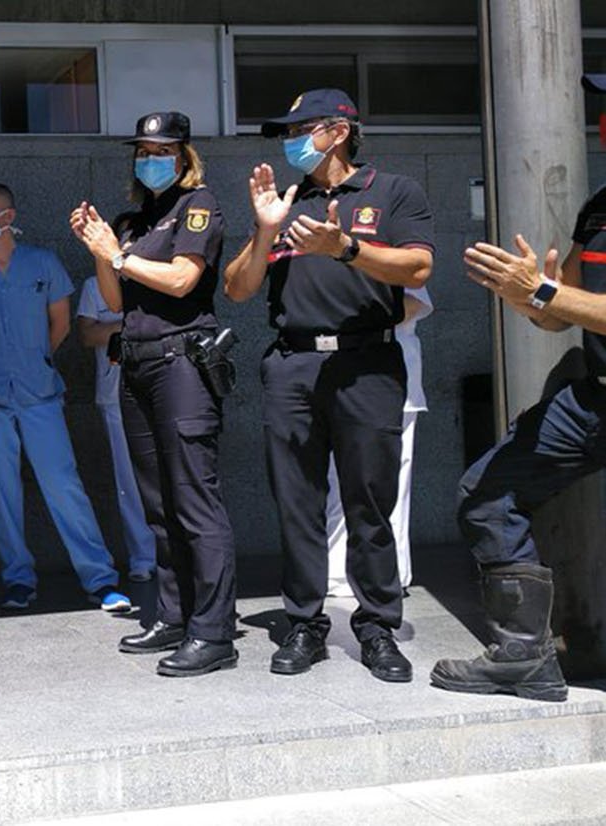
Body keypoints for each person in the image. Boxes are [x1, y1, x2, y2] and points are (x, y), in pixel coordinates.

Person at [224, 88, 434, 683]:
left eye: (303, 128)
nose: (291, 141)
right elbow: (238, 289)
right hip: (293, 366)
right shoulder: (286, 201)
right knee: (297, 503)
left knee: (370, 502)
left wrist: (344, 247)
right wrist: (266, 231)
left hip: (366, 364)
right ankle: (305, 624)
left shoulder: (393, 192)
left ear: (338, 131)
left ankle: (376, 627)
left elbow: (418, 268)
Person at [430, 72, 606, 703]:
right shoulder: (600, 207)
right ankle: (523, 655)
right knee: (487, 493)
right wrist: (534, 302)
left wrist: (549, 292)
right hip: (594, 398)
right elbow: (569, 311)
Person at [70, 111, 239, 676]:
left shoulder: (199, 206)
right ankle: (173, 615)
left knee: (194, 498)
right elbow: (116, 301)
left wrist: (118, 256)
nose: (149, 159)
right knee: (158, 505)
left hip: (181, 362)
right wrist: (100, 246)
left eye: (160, 150)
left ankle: (214, 633)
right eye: (142, 151)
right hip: (136, 364)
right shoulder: (133, 220)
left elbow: (182, 279)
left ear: (183, 156)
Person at [0, 182, 130, 613]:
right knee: (1, 492)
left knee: (64, 485)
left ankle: (100, 579)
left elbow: (59, 326)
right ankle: (18, 580)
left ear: (8, 215)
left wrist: (31, 361)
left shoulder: (43, 263)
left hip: (39, 392)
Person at [326, 287, 432, 597]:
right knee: (336, 480)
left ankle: (388, 574)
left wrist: (351, 316)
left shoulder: (394, 245)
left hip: (393, 377)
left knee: (388, 486)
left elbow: (416, 302)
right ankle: (336, 571)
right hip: (339, 378)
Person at [74, 277, 157, 584]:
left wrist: (117, 326)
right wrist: (132, 325)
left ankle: (177, 554)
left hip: (164, 388)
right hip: (115, 392)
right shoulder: (96, 284)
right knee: (129, 480)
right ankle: (143, 556)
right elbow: (86, 334)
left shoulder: (160, 272)